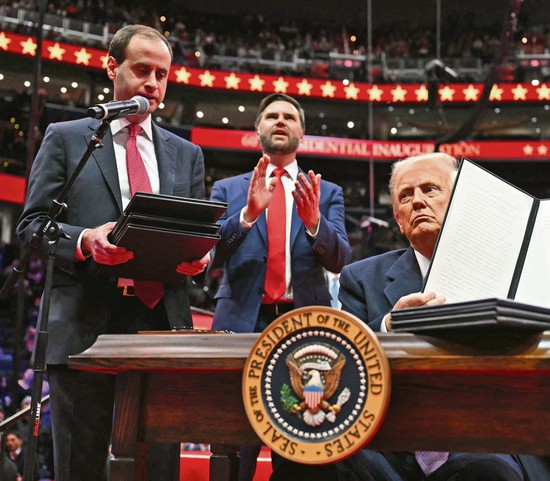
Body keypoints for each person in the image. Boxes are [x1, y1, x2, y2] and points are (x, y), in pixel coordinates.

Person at [335, 152, 550, 481]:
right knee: (311, 464)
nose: (418, 201)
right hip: (395, 449)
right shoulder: (361, 278)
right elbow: (343, 364)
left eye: (430, 189)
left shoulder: (522, 268)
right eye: (406, 195)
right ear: (399, 219)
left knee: (485, 469)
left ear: (464, 203)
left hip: (499, 439)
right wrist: (391, 327)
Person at [16, 24, 208, 481]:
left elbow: (200, 236)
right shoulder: (67, 137)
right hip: (86, 323)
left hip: (162, 328)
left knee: (158, 469)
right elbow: (32, 226)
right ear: (111, 67)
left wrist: (201, 259)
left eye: (162, 75)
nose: (153, 84)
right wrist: (84, 241)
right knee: (80, 467)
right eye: (142, 70)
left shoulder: (187, 154)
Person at [209, 93, 351, 480]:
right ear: (258, 128)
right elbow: (210, 257)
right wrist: (248, 215)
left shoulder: (326, 192)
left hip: (303, 326)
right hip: (241, 322)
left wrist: (314, 223)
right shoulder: (228, 189)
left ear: (301, 131)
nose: (280, 121)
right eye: (271, 115)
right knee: (234, 438)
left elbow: (340, 260)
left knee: (298, 440)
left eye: (289, 116)